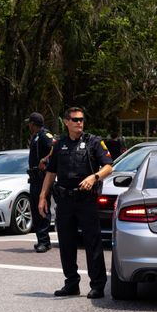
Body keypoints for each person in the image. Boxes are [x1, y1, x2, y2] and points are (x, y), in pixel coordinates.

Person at [38, 107, 113, 299]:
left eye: (81, 119)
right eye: (75, 119)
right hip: (64, 201)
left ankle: (97, 285)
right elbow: (51, 172)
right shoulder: (60, 143)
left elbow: (108, 167)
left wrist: (94, 177)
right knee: (66, 243)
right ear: (66, 122)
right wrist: (42, 197)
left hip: (86, 200)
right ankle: (71, 283)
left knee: (92, 242)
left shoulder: (93, 142)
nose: (79, 122)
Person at [25, 112, 55, 253]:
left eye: (29, 123)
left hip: (43, 178)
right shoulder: (36, 136)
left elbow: (55, 148)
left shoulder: (44, 135)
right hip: (35, 178)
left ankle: (44, 242)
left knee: (42, 208)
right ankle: (42, 240)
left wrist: (45, 160)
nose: (28, 126)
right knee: (36, 209)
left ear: (33, 123)